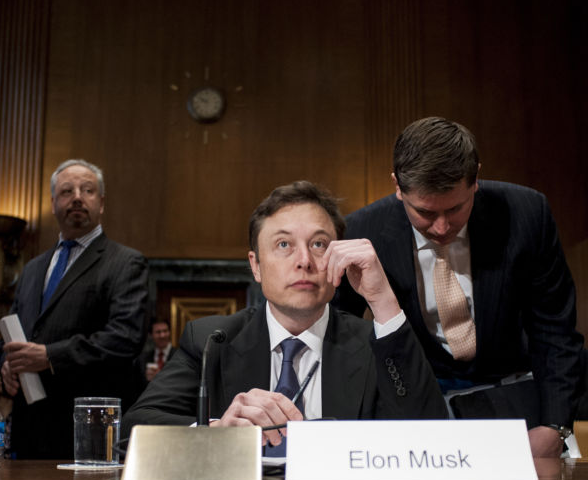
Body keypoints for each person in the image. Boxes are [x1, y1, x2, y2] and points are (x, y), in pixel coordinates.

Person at [122, 181, 447, 449]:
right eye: (283, 245)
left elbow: (433, 436)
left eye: (319, 244)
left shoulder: (374, 343)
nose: (304, 260)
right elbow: (132, 431)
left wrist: (383, 301)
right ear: (256, 265)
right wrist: (215, 432)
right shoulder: (211, 340)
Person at [332, 116, 585, 457]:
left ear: (476, 178)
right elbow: (339, 336)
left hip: (513, 395)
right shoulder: (364, 230)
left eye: (455, 209)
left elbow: (555, 329)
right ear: (397, 185)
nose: (441, 227)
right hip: (419, 404)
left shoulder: (527, 214)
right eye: (424, 212)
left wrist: (555, 426)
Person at [1, 159, 149, 459]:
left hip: (87, 431)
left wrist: (49, 356)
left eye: (88, 190)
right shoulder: (32, 269)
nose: (77, 197)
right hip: (29, 430)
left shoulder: (126, 263)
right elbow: (14, 331)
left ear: (102, 203)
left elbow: (124, 338)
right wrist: (6, 363)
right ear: (54, 203)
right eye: (67, 191)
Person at [135, 317, 174, 383]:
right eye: (158, 332)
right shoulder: (142, 359)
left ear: (169, 332)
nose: (162, 335)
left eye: (165, 331)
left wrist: (160, 377)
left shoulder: (180, 356)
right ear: (151, 335)